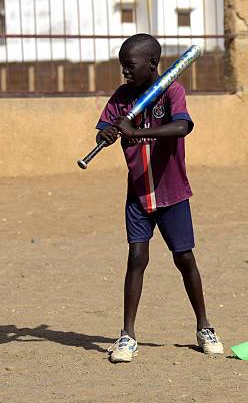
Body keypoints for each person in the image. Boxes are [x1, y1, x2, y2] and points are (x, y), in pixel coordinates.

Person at [95, 34, 223, 362]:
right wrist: (107, 133)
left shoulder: (172, 92)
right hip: (138, 193)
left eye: (130, 65)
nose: (124, 72)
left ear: (153, 64)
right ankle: (127, 335)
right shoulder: (122, 98)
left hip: (172, 192)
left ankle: (204, 326)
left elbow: (182, 128)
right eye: (122, 65)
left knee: (184, 259)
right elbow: (105, 127)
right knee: (136, 258)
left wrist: (136, 132)